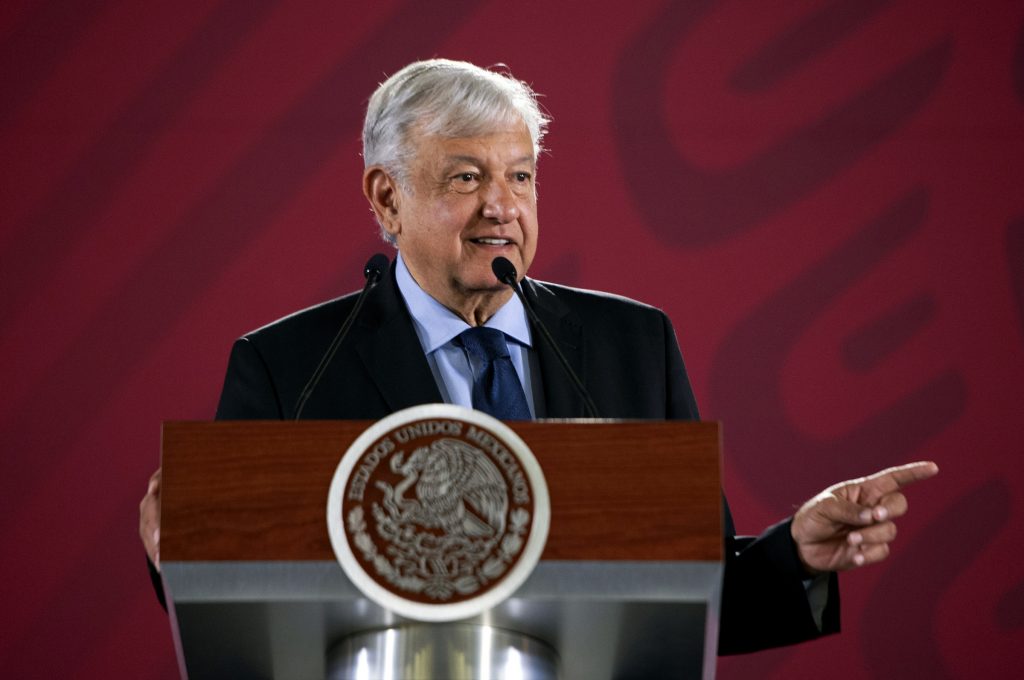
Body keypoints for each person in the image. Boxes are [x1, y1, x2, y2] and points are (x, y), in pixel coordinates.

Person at [139, 59, 938, 655]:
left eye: (520, 176)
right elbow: (246, 611)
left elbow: (692, 590)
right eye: (466, 177)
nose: (502, 206)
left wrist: (796, 554)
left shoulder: (633, 344)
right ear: (387, 198)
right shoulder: (290, 367)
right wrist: (188, 563)